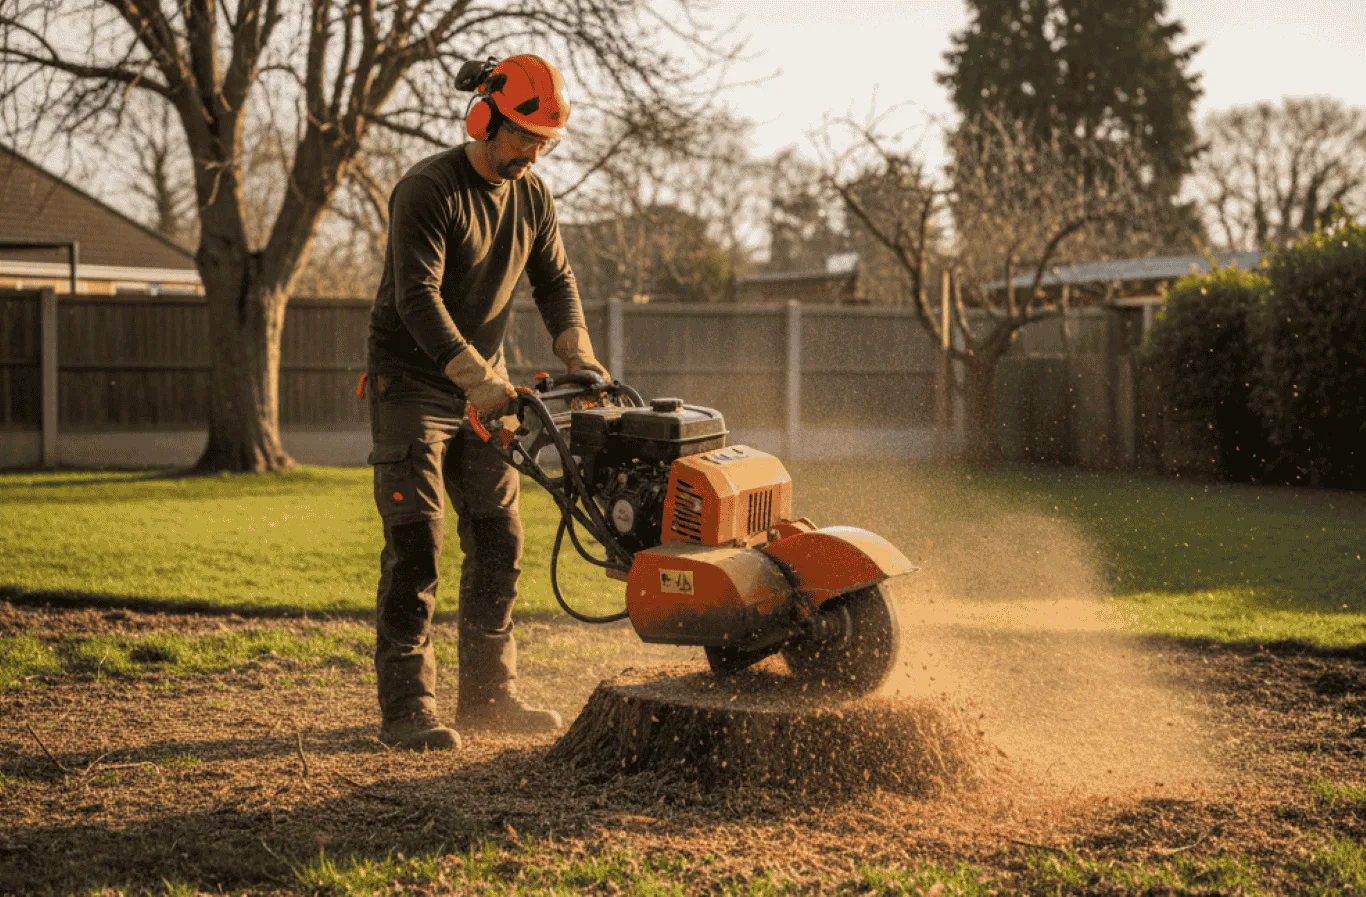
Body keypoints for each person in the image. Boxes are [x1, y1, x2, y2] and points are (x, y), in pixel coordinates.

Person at [363, 54, 610, 750]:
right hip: (410, 383)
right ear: (484, 117)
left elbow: (555, 280)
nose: (532, 154)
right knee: (418, 545)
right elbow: (417, 298)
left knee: (500, 539)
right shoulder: (427, 190)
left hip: (484, 386)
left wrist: (579, 356)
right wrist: (478, 377)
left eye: (544, 142)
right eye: (523, 137)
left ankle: (490, 696)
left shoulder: (532, 196)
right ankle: (408, 709)